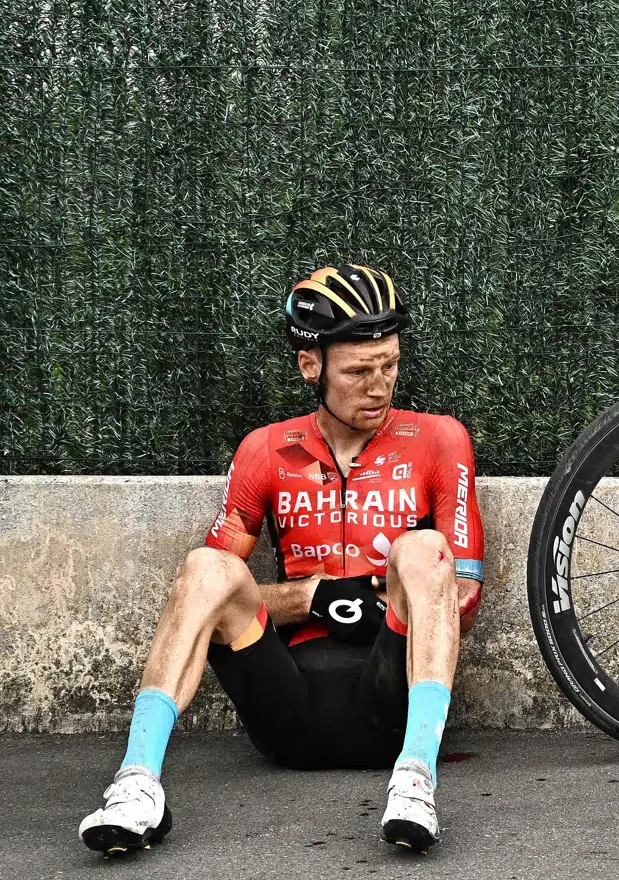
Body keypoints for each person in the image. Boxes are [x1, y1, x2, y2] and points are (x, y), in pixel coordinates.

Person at [78, 265, 484, 855]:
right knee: (205, 566)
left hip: (389, 696)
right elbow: (210, 594)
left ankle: (417, 780)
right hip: (287, 706)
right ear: (310, 366)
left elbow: (462, 598)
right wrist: (312, 596)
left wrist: (384, 596)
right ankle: (136, 784)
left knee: (422, 549)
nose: (379, 386)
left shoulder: (439, 439)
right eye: (359, 371)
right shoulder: (265, 450)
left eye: (390, 366)